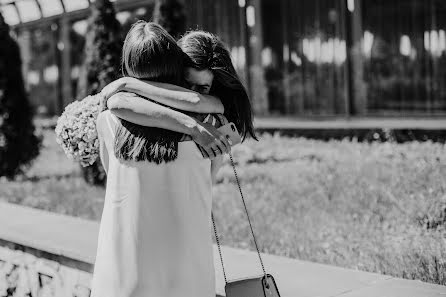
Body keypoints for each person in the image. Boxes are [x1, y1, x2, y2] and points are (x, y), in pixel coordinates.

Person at [91, 22, 231, 297]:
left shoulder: (107, 122)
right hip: (189, 272)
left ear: (129, 68)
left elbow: (112, 176)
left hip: (122, 273)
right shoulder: (212, 127)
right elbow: (208, 179)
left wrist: (126, 86)